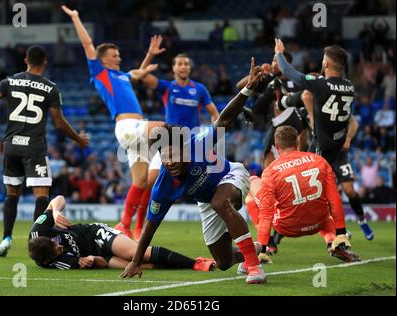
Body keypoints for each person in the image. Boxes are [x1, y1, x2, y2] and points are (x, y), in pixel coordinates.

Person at [121, 58, 267, 285]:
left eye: (174, 155)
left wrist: (248, 89)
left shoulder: (197, 143)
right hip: (206, 200)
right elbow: (152, 223)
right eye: (164, 157)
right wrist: (136, 261)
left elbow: (225, 118)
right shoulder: (164, 185)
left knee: (220, 202)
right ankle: (252, 251)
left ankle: (255, 268)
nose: (170, 162)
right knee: (223, 262)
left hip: (232, 177)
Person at [0, 45, 89, 257]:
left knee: (12, 194)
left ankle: (6, 238)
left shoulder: (10, 81)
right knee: (41, 195)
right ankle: (36, 241)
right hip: (34, 147)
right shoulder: (50, 87)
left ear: (26, 61)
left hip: (11, 146)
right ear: (45, 62)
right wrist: (79, 139)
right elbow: (59, 124)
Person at [62, 5, 164, 240]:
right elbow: (88, 45)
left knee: (144, 182)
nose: (119, 57)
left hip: (137, 131)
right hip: (128, 128)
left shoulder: (123, 75)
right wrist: (77, 17)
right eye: (114, 55)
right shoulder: (100, 73)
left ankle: (132, 228)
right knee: (168, 130)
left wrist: (150, 53)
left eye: (119, 55)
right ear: (103, 59)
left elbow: (139, 73)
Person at [274, 38, 375, 241]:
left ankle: (359, 221)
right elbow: (347, 117)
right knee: (320, 190)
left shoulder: (320, 85)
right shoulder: (349, 87)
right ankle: (278, 238)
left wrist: (279, 54)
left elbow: (290, 73)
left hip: (329, 149)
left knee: (329, 189)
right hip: (331, 147)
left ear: (326, 64)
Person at [129, 35, 219, 240]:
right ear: (174, 68)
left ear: (189, 68)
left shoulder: (199, 89)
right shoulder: (168, 87)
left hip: (192, 142)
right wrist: (150, 54)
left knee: (209, 180)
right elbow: (141, 76)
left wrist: (215, 135)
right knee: (150, 181)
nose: (183, 66)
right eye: (179, 63)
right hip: (169, 143)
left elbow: (214, 112)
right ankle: (138, 228)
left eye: (186, 63)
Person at [245, 126, 361, 264]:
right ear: (298, 143)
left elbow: (266, 212)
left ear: (276, 147)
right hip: (318, 222)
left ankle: (268, 244)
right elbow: (335, 200)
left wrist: (262, 248)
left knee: (251, 182)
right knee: (323, 211)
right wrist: (341, 233)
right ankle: (332, 241)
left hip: (286, 226)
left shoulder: (270, 171)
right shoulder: (319, 161)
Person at [28, 195, 215, 272]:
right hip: (98, 253)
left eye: (56, 242)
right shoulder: (60, 264)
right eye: (58, 249)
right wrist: (92, 259)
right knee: (144, 266)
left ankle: (197, 264)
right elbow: (101, 264)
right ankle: (122, 233)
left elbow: (58, 199)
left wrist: (55, 211)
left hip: (94, 234)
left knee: (136, 253)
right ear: (47, 261)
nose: (60, 246)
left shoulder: (39, 231)